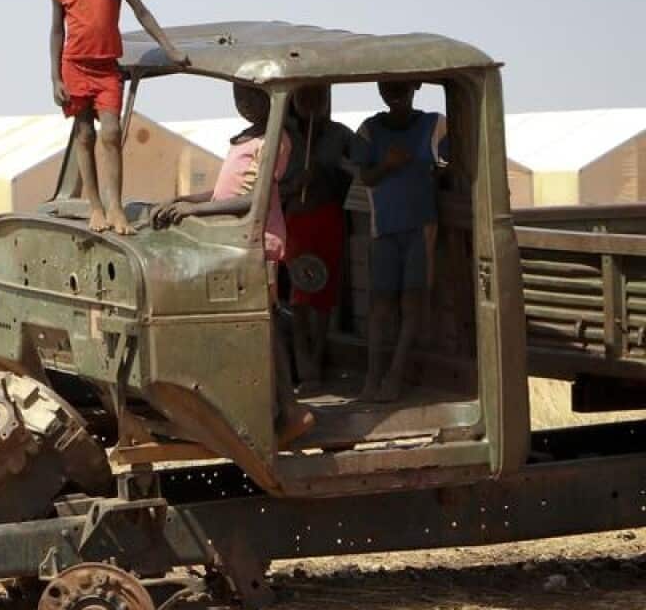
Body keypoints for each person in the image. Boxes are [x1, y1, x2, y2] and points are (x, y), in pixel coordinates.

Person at [151, 84, 316, 447]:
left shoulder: (275, 141)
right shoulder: (247, 139)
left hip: (260, 242)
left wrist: (195, 210)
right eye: (239, 98)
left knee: (266, 328)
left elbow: (251, 200)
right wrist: (186, 200)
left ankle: (290, 408)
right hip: (239, 241)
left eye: (252, 98)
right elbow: (225, 193)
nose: (245, 104)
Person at [51, 0, 189, 235]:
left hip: (106, 68)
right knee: (84, 135)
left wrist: (169, 48)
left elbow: (142, 12)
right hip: (75, 67)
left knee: (111, 133)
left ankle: (116, 207)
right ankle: (96, 208)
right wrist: (55, 77)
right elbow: (57, 31)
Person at [353, 81, 449, 403]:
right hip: (385, 229)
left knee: (410, 304)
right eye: (388, 91)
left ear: (415, 87)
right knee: (381, 306)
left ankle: (393, 376)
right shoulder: (369, 129)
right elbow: (365, 176)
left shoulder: (433, 125)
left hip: (419, 227)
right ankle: (373, 377)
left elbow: (450, 165)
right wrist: (388, 165)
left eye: (401, 90)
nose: (395, 97)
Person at [280, 85, 355, 390]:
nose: (311, 102)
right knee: (299, 296)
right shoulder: (282, 135)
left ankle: (317, 360)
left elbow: (357, 176)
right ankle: (303, 365)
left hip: (328, 219)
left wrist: (328, 176)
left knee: (322, 295)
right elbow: (271, 186)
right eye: (304, 97)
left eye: (317, 96)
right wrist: (296, 184)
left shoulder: (341, 136)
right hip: (296, 220)